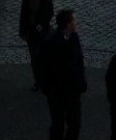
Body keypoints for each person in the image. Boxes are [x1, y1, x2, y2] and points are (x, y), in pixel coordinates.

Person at [40, 9, 87, 140]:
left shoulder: (74, 38)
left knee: (75, 123)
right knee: (58, 125)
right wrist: (48, 87)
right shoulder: (50, 43)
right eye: (74, 20)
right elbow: (44, 66)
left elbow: (79, 60)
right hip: (57, 91)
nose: (76, 23)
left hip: (72, 90)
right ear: (68, 24)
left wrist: (81, 80)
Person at [18, 0, 55, 91]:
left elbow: (50, 12)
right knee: (34, 58)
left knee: (43, 57)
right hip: (31, 33)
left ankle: (46, 79)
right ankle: (38, 81)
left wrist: (42, 24)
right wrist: (23, 32)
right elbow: (23, 16)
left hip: (43, 33)